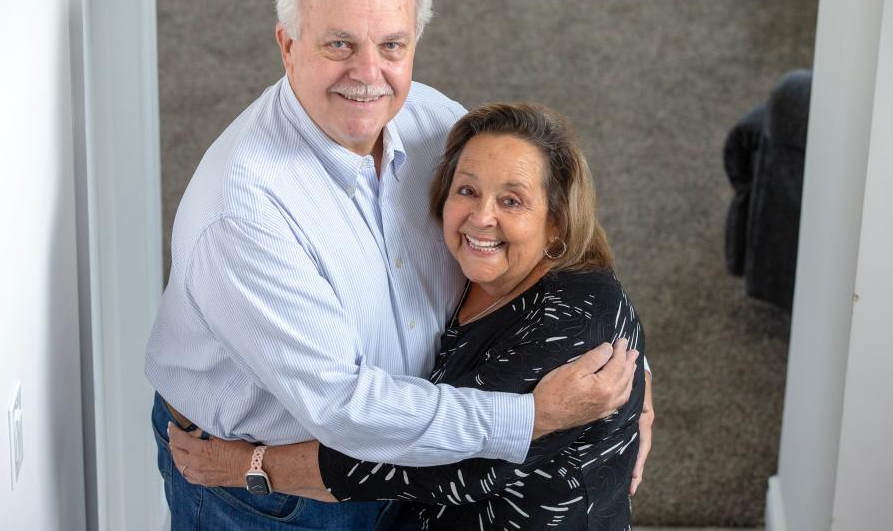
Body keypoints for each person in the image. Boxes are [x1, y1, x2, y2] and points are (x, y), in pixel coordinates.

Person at [145, 0, 652, 530]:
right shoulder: (245, 213)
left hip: (415, 457)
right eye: (339, 44)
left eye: (392, 45)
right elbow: (348, 409)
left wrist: (629, 379)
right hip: (270, 487)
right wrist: (534, 417)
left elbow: (540, 249)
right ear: (287, 44)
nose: (369, 74)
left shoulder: (434, 122)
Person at [171, 102, 646, 531]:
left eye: (512, 200)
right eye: (467, 190)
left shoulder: (575, 323)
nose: (481, 217)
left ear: (557, 221)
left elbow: (439, 466)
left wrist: (249, 467)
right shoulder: (478, 273)